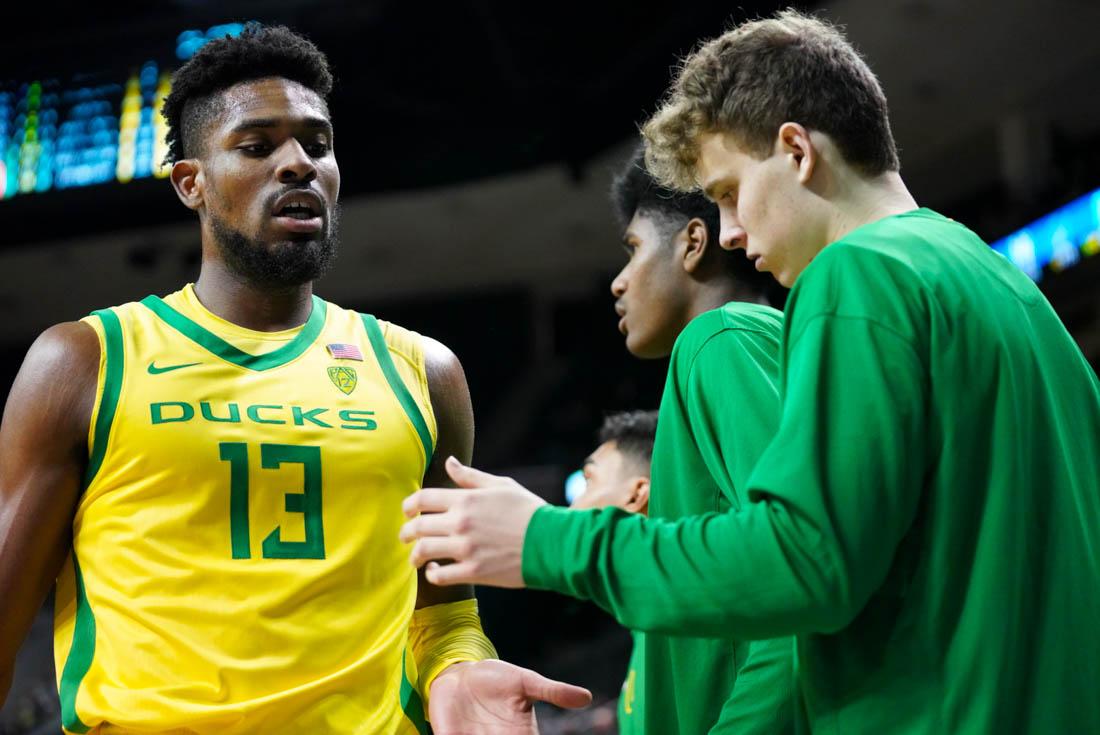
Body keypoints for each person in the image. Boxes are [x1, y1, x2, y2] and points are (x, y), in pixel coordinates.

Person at [399, 9, 1100, 734]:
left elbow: (806, 561)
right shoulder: (1004, 285)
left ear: (796, 150)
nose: (732, 231)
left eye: (731, 191)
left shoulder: (857, 276)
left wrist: (548, 540)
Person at [0, 24, 590, 734]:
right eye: (257, 146)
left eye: (317, 144)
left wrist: (461, 665)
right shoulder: (86, 360)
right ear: (192, 182)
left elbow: (445, 612)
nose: (298, 164)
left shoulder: (423, 371)